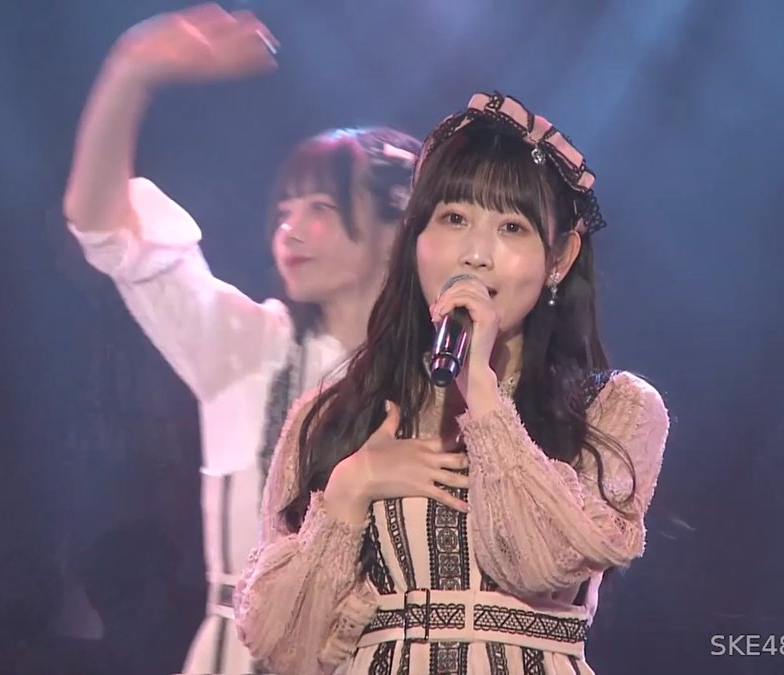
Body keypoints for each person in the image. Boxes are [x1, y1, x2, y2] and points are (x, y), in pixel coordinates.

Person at [234, 92, 671, 674]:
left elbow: (537, 563)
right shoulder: (335, 416)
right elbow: (283, 647)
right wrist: (351, 488)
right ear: (415, 236)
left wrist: (480, 392)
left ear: (560, 257)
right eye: (454, 219)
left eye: (511, 227)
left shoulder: (613, 408)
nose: (476, 254)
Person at [62, 5, 420, 672]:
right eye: (285, 212)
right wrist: (130, 73)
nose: (291, 230)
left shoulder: (441, 377)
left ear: (396, 231)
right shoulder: (246, 348)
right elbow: (104, 224)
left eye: (320, 209)